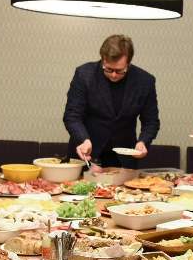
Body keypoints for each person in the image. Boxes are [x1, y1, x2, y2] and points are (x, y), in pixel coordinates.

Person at [63, 34, 159, 169]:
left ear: (128, 63)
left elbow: (151, 121)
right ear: (103, 59)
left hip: (123, 160)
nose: (113, 75)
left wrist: (143, 142)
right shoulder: (84, 75)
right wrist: (83, 139)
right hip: (86, 154)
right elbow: (72, 115)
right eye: (108, 69)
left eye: (119, 71)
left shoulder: (145, 81)